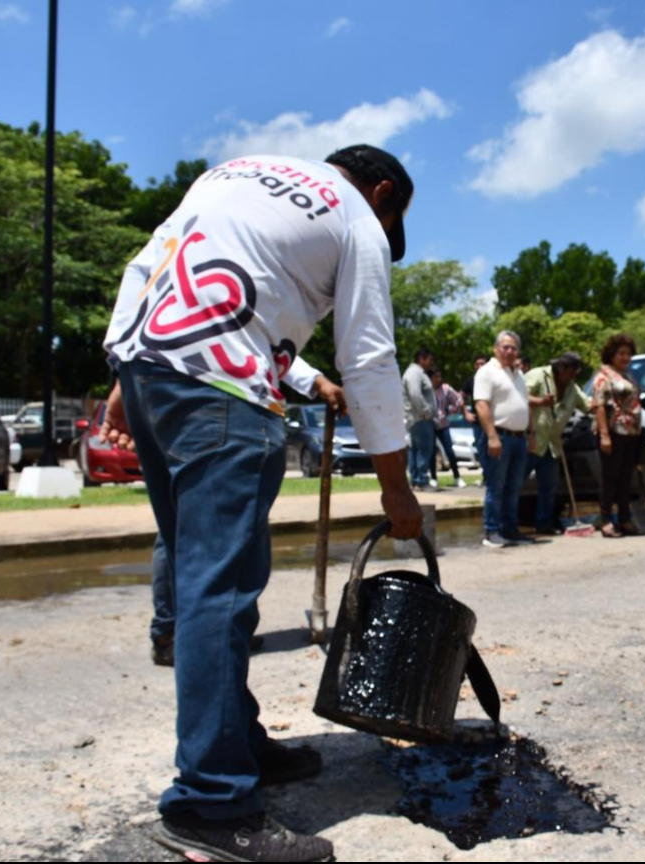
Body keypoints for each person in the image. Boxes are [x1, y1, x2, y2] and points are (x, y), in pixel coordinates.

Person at [101, 144, 423, 862]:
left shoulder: (237, 172)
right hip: (221, 384)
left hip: (153, 369)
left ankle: (239, 742)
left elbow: (146, 264)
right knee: (219, 590)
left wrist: (124, 366)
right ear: (381, 192)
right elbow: (368, 355)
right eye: (390, 218)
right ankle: (210, 803)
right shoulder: (357, 218)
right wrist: (397, 487)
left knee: (198, 575)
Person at [149, 355, 340, 667]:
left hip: (201, 399)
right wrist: (316, 381)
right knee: (190, 525)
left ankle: (225, 624)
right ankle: (174, 631)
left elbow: (261, 343)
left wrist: (315, 381)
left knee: (235, 524)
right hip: (208, 404)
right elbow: (251, 341)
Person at [524, 351, 592, 535]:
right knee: (515, 484)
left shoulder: (572, 387)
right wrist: (540, 401)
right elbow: (519, 396)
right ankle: (505, 525)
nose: (573, 376)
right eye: (572, 371)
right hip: (531, 440)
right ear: (561, 368)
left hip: (552, 444)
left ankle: (543, 524)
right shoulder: (538, 375)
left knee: (549, 486)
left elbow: (588, 406)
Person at [474, 331, 531, 548]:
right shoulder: (487, 372)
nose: (509, 351)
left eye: (513, 348)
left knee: (514, 487)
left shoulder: (518, 374)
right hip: (499, 436)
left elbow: (524, 404)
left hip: (519, 438)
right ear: (495, 349)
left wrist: (531, 434)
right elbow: (481, 405)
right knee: (496, 487)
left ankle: (510, 528)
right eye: (505, 347)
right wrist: (492, 436)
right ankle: (492, 531)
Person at [593, 333, 644, 538]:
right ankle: (605, 519)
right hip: (612, 432)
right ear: (611, 355)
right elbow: (599, 407)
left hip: (630, 432)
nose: (625, 357)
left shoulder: (628, 375)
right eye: (621, 353)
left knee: (625, 477)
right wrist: (605, 435)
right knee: (610, 477)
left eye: (628, 354)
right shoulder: (604, 377)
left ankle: (625, 518)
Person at [402, 347, 437, 491]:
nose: (431, 363)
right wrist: (426, 412)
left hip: (417, 419)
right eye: (429, 359)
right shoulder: (414, 373)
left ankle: (416, 481)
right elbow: (415, 394)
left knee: (415, 451)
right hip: (420, 419)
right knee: (424, 450)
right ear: (421, 358)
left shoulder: (416, 373)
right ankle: (421, 481)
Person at [430, 369, 466, 489]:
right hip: (430, 425)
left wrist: (451, 410)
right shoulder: (427, 390)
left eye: (440, 377)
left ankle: (457, 477)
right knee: (431, 452)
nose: (439, 379)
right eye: (436, 377)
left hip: (443, 424)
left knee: (449, 451)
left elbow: (459, 400)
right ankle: (433, 478)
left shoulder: (445, 389)